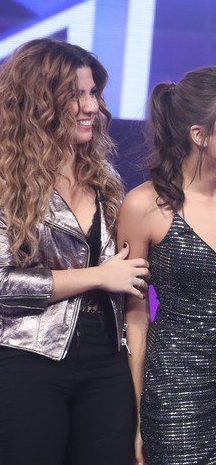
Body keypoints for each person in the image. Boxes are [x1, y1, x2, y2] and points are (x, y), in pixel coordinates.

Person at [0, 38, 148, 465]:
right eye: (74, 95)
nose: (90, 107)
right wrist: (99, 275)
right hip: (28, 358)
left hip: (106, 360)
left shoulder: (105, 180)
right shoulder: (7, 180)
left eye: (93, 93)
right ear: (38, 101)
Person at [119, 66, 216, 465]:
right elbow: (134, 319)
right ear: (199, 135)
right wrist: (134, 420)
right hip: (175, 399)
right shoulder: (143, 205)